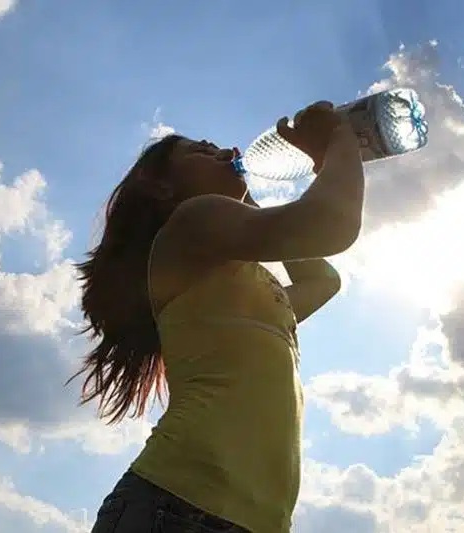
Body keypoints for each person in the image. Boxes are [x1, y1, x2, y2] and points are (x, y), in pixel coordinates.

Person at [71, 101, 365, 533]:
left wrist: (260, 193)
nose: (225, 151)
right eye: (202, 152)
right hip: (178, 504)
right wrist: (340, 139)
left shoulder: (247, 287)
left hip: (241, 520)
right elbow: (330, 224)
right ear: (162, 187)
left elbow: (323, 280)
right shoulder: (191, 222)